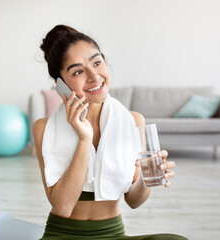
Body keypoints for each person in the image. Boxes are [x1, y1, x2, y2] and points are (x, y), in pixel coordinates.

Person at [33, 24, 187, 240]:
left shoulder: (133, 121)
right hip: (62, 235)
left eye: (97, 63)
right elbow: (62, 206)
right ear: (60, 85)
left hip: (112, 234)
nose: (95, 77)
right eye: (78, 71)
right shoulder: (44, 128)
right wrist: (84, 139)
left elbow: (134, 201)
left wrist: (148, 176)